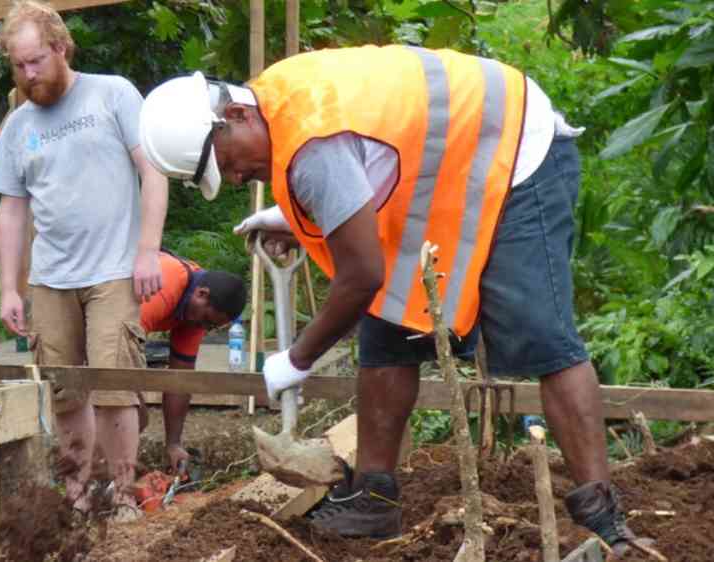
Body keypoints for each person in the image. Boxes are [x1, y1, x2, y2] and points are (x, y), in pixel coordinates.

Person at [137, 46, 652, 555]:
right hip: (442, 170)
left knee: (541, 333)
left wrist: (298, 359)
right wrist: (292, 216)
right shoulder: (276, 98)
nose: (235, 178)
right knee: (389, 323)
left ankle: (602, 518)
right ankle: (373, 496)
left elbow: (360, 275)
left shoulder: (312, 144)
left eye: (227, 164)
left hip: (514, 146)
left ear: (235, 114)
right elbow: (362, 167)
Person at [0, 0, 168, 522]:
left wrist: (148, 250)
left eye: (36, 61)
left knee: (113, 385)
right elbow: (11, 213)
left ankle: (122, 493)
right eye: (19, 66)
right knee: (65, 392)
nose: (28, 74)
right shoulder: (20, 125)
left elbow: (152, 172)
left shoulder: (111, 94)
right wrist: (8, 288)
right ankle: (78, 496)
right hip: (51, 275)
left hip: (115, 268)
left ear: (61, 47)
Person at [139, 251, 246, 473]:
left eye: (211, 327)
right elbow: (115, 360)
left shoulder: (197, 314)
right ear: (201, 294)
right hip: (82, 294)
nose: (204, 329)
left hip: (116, 325)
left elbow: (181, 380)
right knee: (129, 411)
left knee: (129, 414)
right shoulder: (164, 283)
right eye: (207, 322)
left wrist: (174, 444)